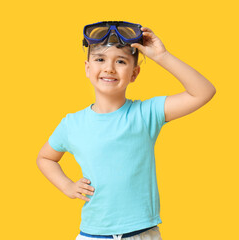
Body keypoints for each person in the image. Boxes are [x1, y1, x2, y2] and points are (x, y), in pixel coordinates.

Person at [36, 21, 216, 240]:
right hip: (94, 235)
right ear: (87, 68)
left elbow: (203, 92)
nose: (109, 68)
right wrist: (67, 186)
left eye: (120, 61)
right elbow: (45, 157)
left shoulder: (146, 114)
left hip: (142, 233)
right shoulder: (71, 124)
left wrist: (162, 56)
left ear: (134, 73)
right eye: (100, 59)